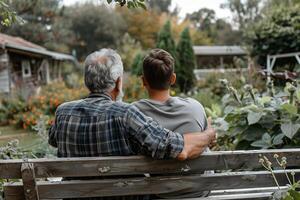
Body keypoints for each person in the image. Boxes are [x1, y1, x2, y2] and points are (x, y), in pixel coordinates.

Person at [48, 48, 216, 200]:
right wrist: (207, 135)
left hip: (75, 197)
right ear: (118, 82)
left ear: (86, 80)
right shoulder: (125, 113)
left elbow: (53, 140)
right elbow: (175, 148)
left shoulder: (62, 112)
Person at [133, 48, 211, 198]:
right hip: (198, 193)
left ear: (143, 81)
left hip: (160, 194)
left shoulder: (134, 113)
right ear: (173, 79)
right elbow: (208, 143)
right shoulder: (195, 107)